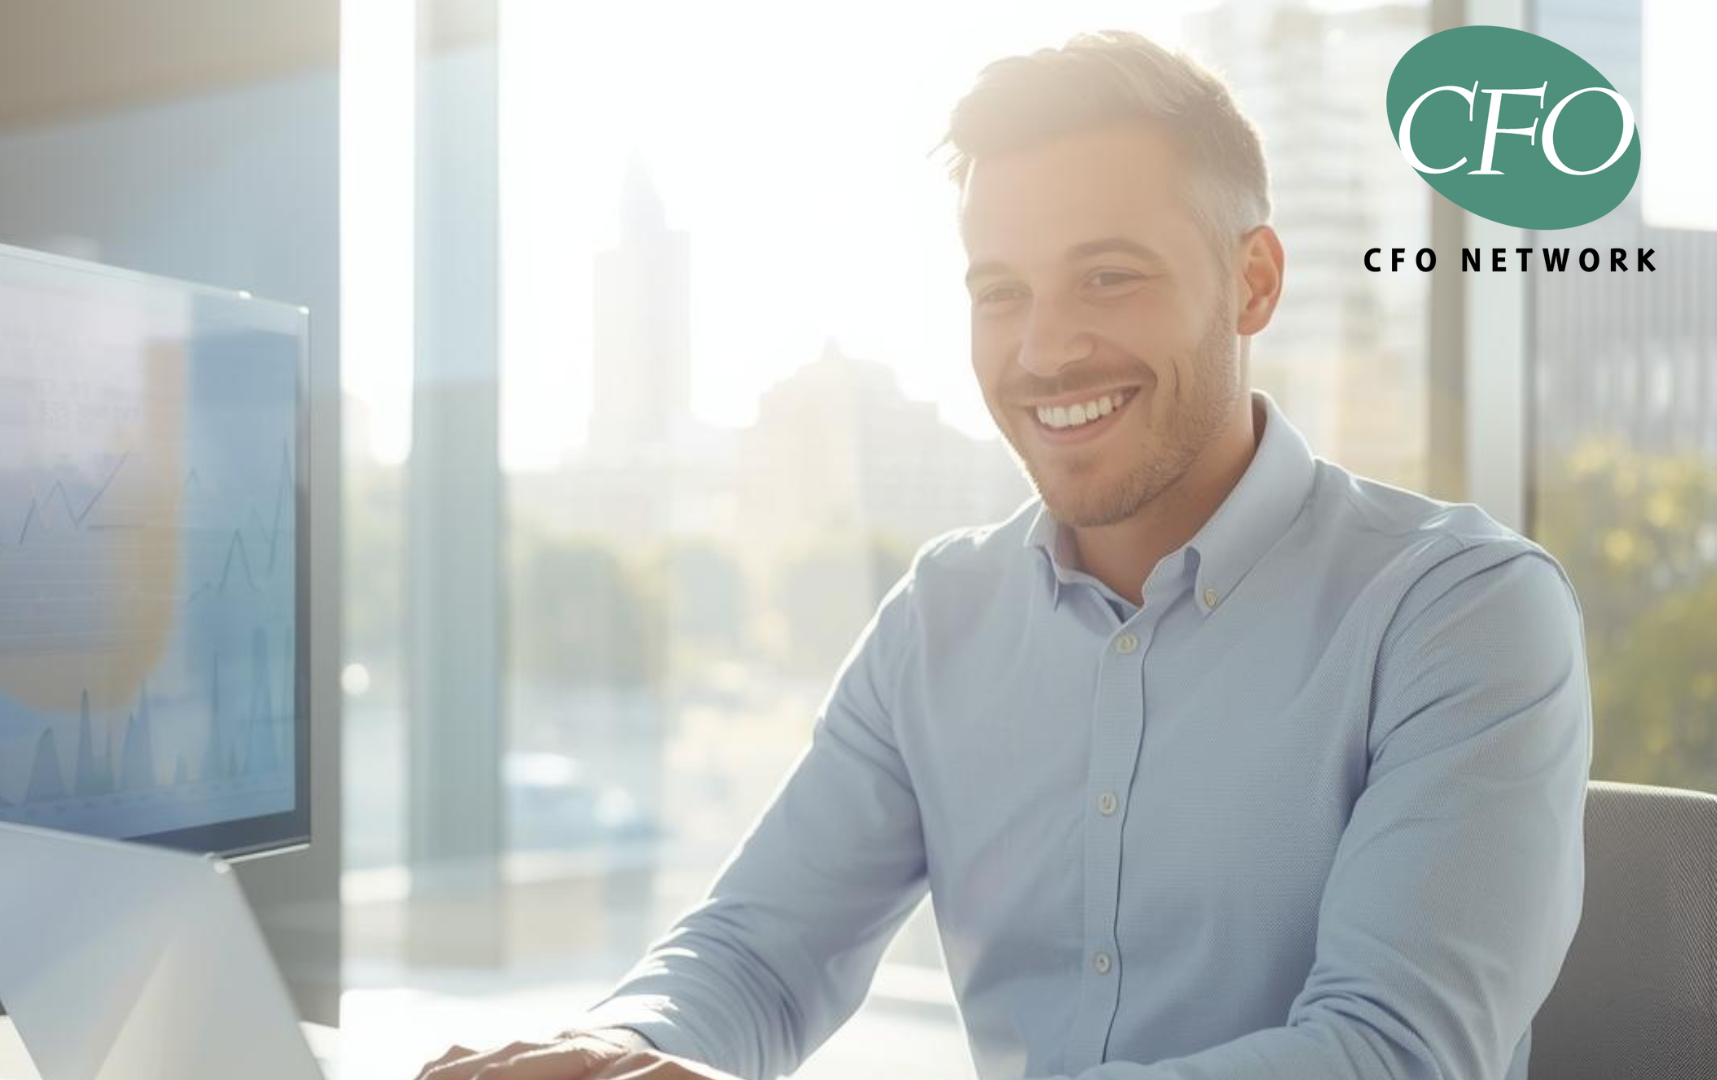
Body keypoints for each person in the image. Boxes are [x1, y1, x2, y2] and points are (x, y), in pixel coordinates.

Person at [417, 29, 1591, 1080]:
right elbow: (756, 957)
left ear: (1254, 281)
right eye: (1000, 291)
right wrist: (620, 1053)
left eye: (1108, 278)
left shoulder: (1461, 609)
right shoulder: (940, 619)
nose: (1045, 350)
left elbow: (1393, 1055)